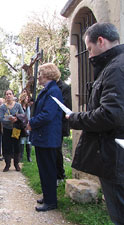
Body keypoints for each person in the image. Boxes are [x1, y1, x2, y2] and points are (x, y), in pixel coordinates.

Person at [66, 23, 124, 225]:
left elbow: (110, 115)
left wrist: (76, 119)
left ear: (101, 41)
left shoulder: (116, 68)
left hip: (116, 157)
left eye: (89, 49)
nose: (89, 56)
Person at [26, 63, 63, 212]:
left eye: (40, 73)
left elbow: (48, 114)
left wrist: (31, 123)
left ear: (47, 74)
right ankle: (47, 196)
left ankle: (51, 202)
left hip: (48, 138)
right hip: (43, 137)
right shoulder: (48, 90)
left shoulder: (54, 91)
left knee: (48, 170)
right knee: (44, 169)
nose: (38, 76)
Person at [0, 89, 24, 172]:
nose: (8, 95)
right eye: (7, 94)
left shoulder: (18, 105)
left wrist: (16, 119)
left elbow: (23, 115)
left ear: (13, 95)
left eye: (10, 94)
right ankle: (7, 165)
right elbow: (1, 118)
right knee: (7, 147)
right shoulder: (3, 107)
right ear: (5, 96)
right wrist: (10, 120)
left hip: (16, 129)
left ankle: (16, 164)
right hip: (7, 130)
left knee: (17, 147)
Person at [56, 78, 72, 184]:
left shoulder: (65, 88)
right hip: (52, 125)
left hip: (59, 125)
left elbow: (65, 107)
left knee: (57, 150)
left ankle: (60, 175)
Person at [19, 88, 32, 162]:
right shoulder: (19, 106)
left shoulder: (28, 107)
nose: (27, 99)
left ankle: (28, 156)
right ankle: (20, 156)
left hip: (27, 125)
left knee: (28, 140)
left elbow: (28, 116)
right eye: (26, 98)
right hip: (21, 125)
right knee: (21, 140)